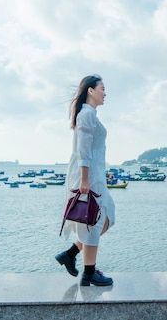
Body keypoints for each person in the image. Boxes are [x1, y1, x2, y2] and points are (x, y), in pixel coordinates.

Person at [55, 74, 115, 286]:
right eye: (102, 88)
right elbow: (83, 151)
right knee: (95, 221)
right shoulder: (87, 115)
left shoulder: (90, 115)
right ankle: (89, 273)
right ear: (91, 90)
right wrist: (84, 180)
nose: (105, 93)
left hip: (94, 173)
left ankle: (71, 254)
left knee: (105, 218)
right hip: (89, 175)